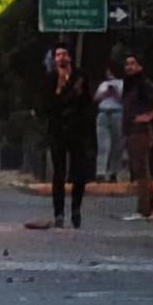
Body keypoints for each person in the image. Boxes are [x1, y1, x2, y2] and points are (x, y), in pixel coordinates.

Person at [42, 43, 94, 228]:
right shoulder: (49, 78)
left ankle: (76, 210)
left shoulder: (81, 77)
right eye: (58, 55)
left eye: (64, 54)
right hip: (58, 131)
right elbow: (45, 106)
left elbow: (88, 104)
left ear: (70, 58)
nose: (61, 58)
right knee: (59, 173)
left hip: (77, 130)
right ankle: (59, 213)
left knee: (79, 173)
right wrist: (58, 88)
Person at [121, 52, 153, 221]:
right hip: (131, 131)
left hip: (140, 131)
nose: (129, 67)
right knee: (138, 169)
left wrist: (149, 115)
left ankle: (145, 209)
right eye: (127, 64)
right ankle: (145, 207)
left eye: (133, 63)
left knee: (142, 170)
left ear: (140, 66)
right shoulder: (130, 85)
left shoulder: (143, 84)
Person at [93, 64, 124, 182]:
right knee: (103, 146)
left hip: (118, 113)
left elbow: (124, 98)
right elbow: (96, 98)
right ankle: (100, 172)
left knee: (117, 146)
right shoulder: (103, 84)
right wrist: (105, 93)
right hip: (103, 114)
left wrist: (115, 92)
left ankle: (113, 172)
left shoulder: (123, 84)